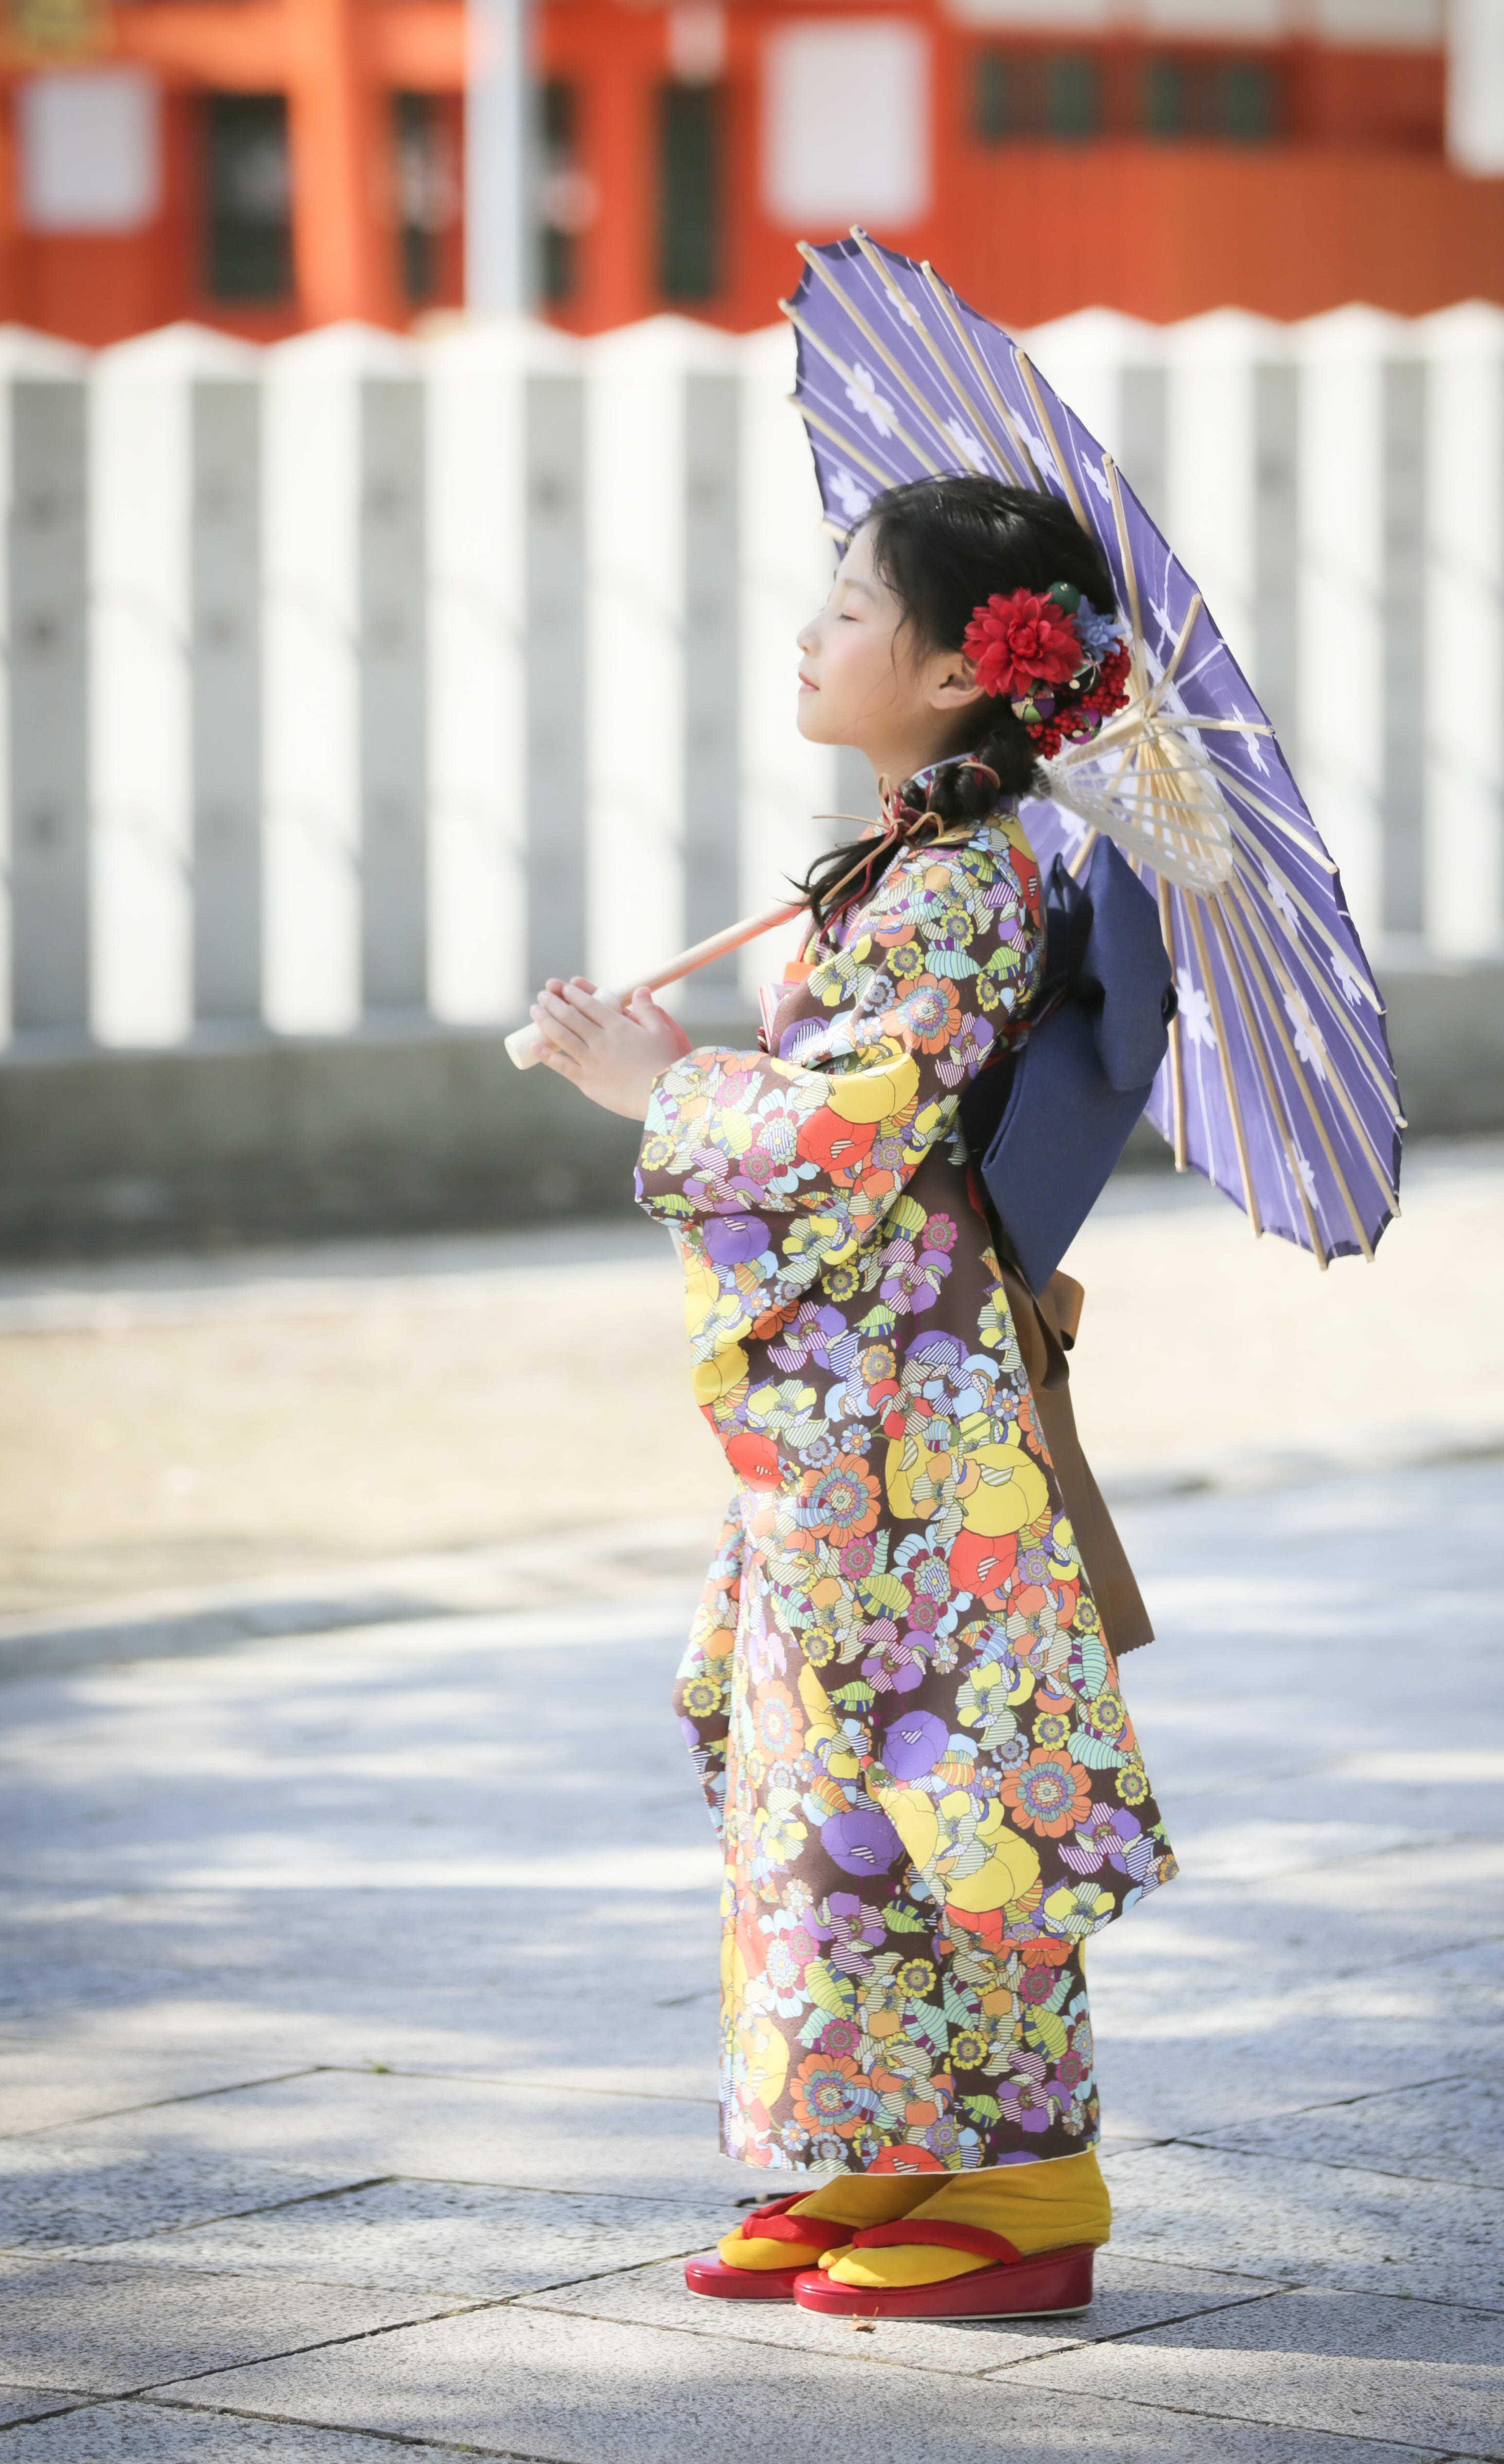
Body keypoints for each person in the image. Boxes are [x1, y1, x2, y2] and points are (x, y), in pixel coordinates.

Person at [527, 476, 1175, 2322]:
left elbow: (858, 1125)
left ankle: (1031, 2181)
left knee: (948, 1777)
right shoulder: (928, 852)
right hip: (859, 1420)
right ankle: (895, 2146)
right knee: (840, 1788)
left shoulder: (969, 879)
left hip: (910, 1428)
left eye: (846, 606)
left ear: (977, 662)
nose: (809, 635)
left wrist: (660, 1082)